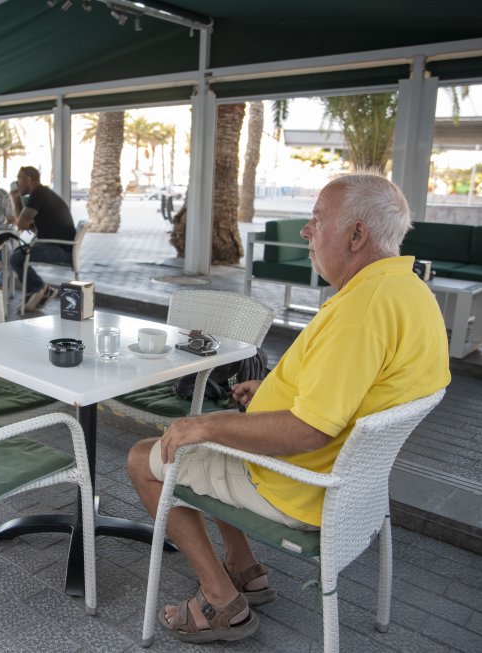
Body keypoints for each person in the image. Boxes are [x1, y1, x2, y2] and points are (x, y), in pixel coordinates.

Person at [126, 172, 451, 645]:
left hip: (299, 483)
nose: (306, 231)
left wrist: (204, 425)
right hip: (351, 484)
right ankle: (244, 567)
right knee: (219, 440)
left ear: (357, 235)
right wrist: (271, 393)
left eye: (317, 220)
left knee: (148, 456)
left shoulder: (361, 311)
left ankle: (222, 603)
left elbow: (307, 431)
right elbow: (355, 391)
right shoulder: (410, 292)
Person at [9, 166, 76, 311]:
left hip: (60, 249)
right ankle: (39, 291)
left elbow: (21, 224)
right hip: (62, 246)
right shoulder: (42, 193)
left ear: (28, 180)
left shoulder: (38, 194)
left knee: (15, 258)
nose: (17, 182)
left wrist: (15, 200)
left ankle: (39, 289)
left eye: (19, 178)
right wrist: (17, 198)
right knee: (17, 256)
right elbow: (26, 225)